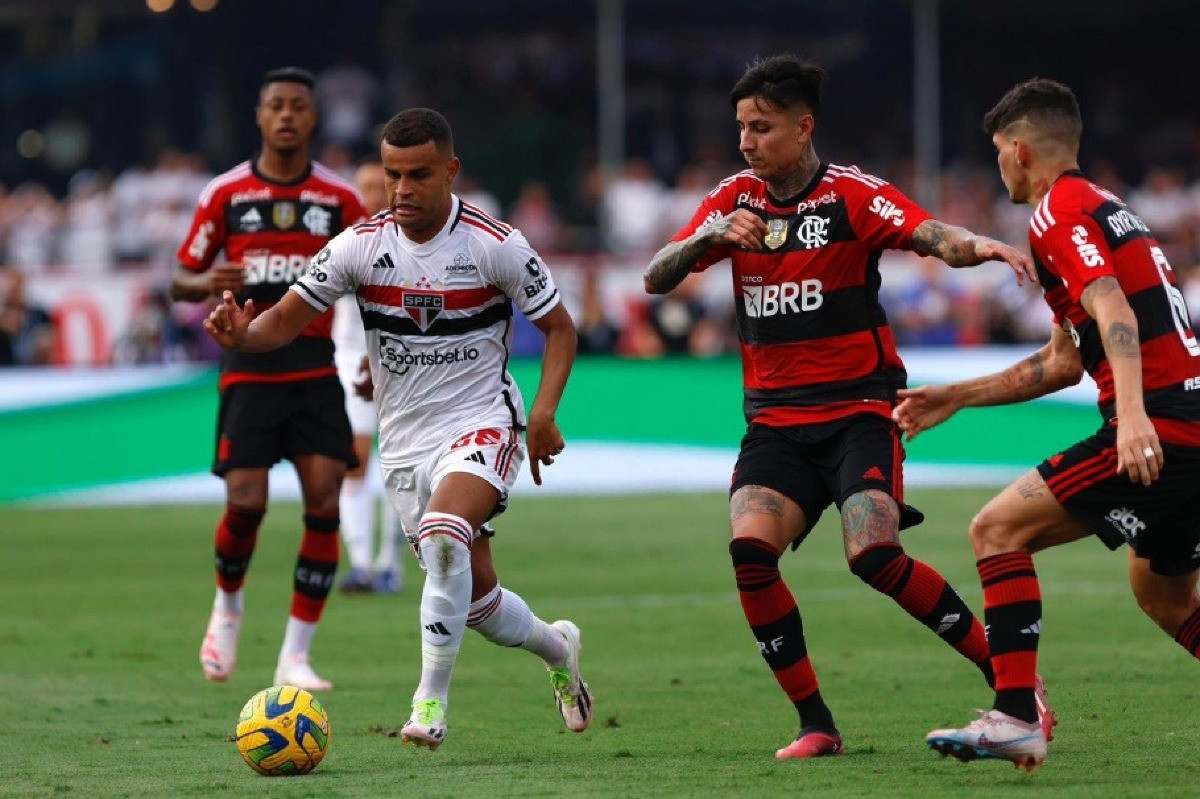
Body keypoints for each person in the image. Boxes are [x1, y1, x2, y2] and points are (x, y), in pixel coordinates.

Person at [643, 54, 1048, 760]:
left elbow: (930, 235)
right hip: (774, 419)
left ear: (803, 129)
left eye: (761, 128)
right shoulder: (733, 201)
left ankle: (1012, 683)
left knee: (873, 553)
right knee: (749, 553)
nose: (746, 142)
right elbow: (655, 275)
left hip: (860, 411)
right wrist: (706, 237)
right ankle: (816, 723)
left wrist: (980, 245)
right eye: (741, 126)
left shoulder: (850, 196)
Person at [202, 107, 592, 750]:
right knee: (476, 601)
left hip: (483, 422)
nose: (402, 189)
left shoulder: (495, 244)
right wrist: (244, 333)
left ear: (451, 172)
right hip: (405, 441)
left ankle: (429, 705)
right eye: (392, 175)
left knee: (444, 538)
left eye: (418, 175)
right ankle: (558, 649)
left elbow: (560, 328)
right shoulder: (360, 245)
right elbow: (284, 319)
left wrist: (544, 413)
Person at [898, 78, 1200, 771]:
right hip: (1188, 421)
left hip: (1162, 427)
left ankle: (1013, 715)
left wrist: (1130, 418)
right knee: (1162, 593)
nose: (998, 165)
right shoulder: (1107, 208)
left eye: (1000, 151)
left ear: (1022, 149)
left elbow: (1115, 312)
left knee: (996, 530)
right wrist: (958, 395)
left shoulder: (1054, 213)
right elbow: (1066, 360)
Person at [170, 67, 368, 691]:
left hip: (315, 367)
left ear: (314, 118)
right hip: (250, 368)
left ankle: (295, 655)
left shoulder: (341, 201)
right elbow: (181, 277)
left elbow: (373, 277)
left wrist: (373, 351)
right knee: (246, 502)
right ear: (259, 116)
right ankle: (227, 610)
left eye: (298, 107)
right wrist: (208, 284)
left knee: (325, 500)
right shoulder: (225, 195)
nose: (287, 116)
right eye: (276, 106)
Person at [332, 159, 405, 594]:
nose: (370, 196)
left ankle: (389, 563)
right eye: (362, 188)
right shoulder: (346, 241)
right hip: (350, 355)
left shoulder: (411, 241)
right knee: (355, 459)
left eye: (377, 187)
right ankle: (360, 562)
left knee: (398, 464)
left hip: (400, 360)